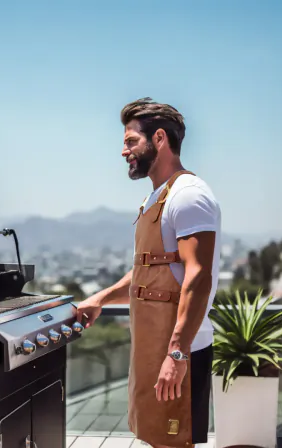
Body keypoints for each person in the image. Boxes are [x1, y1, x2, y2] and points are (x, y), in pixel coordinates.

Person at [76, 98, 221, 448]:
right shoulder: (157, 197)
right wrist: (100, 298)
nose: (123, 150)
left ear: (159, 139)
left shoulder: (188, 195)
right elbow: (147, 269)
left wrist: (176, 354)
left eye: (130, 141)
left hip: (177, 348)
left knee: (174, 442)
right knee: (156, 438)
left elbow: (197, 276)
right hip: (153, 345)